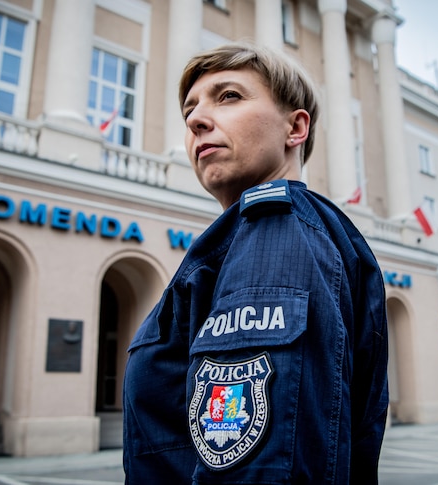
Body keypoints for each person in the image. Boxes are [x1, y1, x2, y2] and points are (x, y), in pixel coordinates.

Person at [123, 42, 388, 484]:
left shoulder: (274, 232)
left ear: (295, 128)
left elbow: (259, 467)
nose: (195, 120)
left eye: (229, 97)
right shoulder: (248, 239)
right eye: (189, 109)